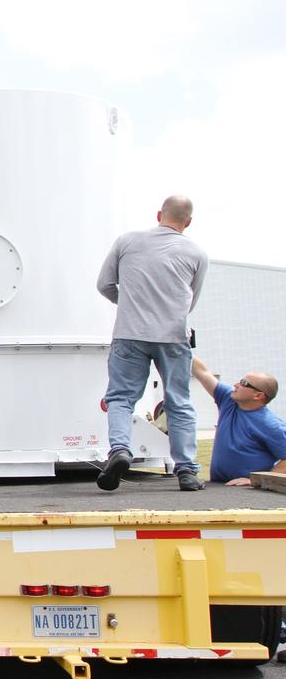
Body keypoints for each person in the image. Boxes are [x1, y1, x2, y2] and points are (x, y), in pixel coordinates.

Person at [96, 195, 208, 492]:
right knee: (178, 400)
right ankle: (186, 470)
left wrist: (129, 304)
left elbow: (104, 284)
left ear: (159, 214)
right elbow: (190, 299)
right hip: (173, 335)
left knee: (120, 398)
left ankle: (120, 450)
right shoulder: (197, 252)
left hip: (130, 333)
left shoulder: (127, 241)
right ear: (189, 222)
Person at [191, 357, 286, 486]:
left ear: (258, 396)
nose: (236, 385)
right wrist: (181, 342)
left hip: (246, 492)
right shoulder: (228, 400)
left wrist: (257, 481)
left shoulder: (271, 425)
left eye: (244, 383)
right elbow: (202, 372)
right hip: (218, 486)